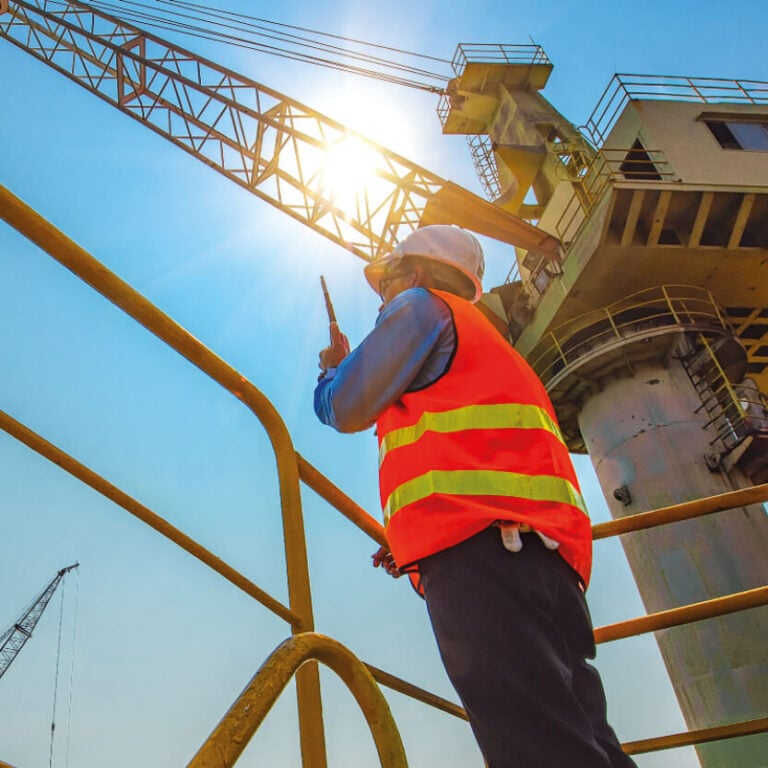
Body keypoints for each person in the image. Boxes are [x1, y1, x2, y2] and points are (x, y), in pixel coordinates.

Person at [314, 225, 637, 768]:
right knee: (582, 738)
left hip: (483, 559)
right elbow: (481, 457)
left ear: (415, 273)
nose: (383, 298)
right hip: (543, 560)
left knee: (534, 747)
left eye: (387, 283)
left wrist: (332, 369)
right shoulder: (489, 346)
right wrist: (410, 534)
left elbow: (345, 405)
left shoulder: (420, 306)